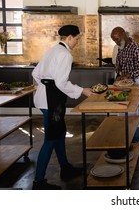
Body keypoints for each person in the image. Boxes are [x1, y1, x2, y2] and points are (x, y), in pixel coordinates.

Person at [31, 24, 94, 190]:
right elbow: (61, 82)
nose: (77, 42)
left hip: (47, 99)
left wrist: (46, 86)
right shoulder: (65, 54)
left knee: (59, 133)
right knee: (51, 139)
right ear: (70, 37)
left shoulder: (52, 50)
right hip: (52, 102)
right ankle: (38, 182)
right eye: (77, 39)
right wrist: (83, 91)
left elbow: (35, 74)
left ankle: (65, 168)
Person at [111, 27, 139, 136]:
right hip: (125, 83)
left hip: (138, 82)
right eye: (114, 40)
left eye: (118, 39)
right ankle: (126, 137)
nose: (117, 42)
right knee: (125, 111)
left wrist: (129, 75)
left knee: (136, 113)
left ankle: (136, 140)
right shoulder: (120, 48)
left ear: (124, 35)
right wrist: (118, 68)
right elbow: (119, 63)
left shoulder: (136, 48)